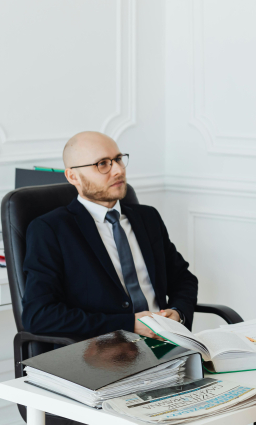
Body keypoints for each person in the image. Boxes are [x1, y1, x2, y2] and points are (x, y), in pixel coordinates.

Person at [22, 131, 198, 340]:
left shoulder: (147, 218)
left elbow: (183, 279)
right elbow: (39, 315)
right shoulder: (50, 230)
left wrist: (178, 313)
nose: (117, 170)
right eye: (102, 164)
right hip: (101, 355)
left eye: (118, 159)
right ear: (73, 176)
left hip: (167, 345)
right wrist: (129, 324)